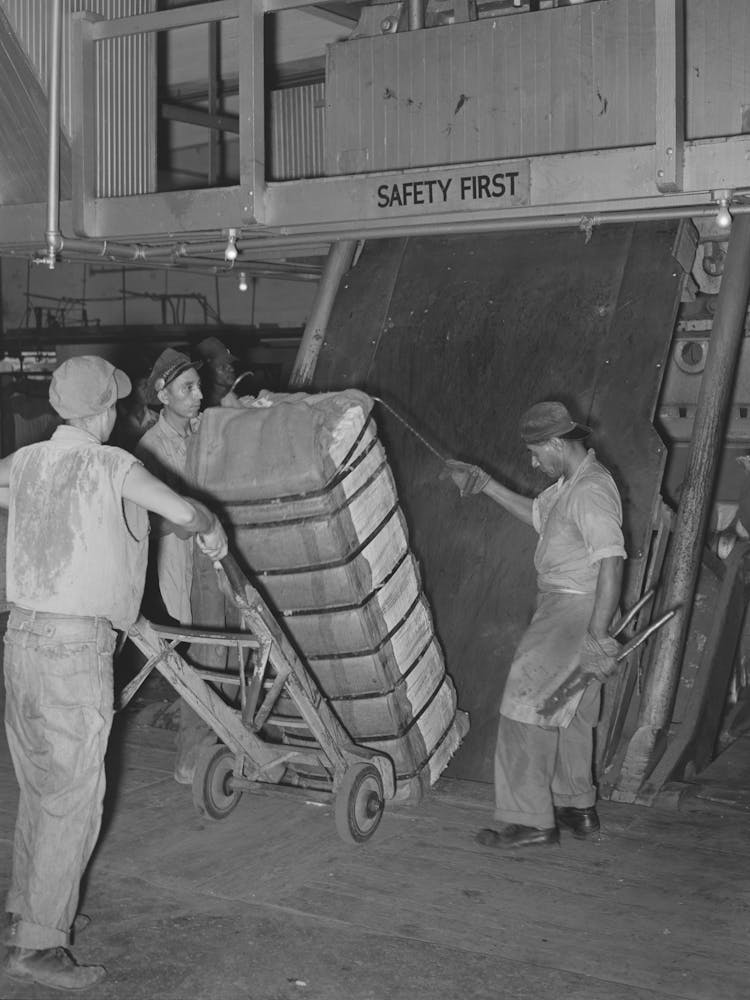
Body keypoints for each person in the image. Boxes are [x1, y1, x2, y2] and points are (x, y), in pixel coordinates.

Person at [0, 355, 227, 991]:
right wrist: (212, 531)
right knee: (73, 800)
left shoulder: (28, 462)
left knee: (44, 790)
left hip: (21, 642)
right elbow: (183, 513)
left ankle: (29, 915)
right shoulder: (111, 465)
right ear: (104, 411)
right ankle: (39, 949)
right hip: (74, 652)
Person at [445, 401, 625, 849]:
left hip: (574, 610)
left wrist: (598, 635)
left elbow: (611, 563)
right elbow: (539, 518)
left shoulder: (590, 492)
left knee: (526, 707)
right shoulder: (572, 485)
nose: (532, 461)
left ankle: (530, 820)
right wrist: (485, 485)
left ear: (555, 444)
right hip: (572, 606)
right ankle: (575, 808)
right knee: (570, 710)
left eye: (534, 452)